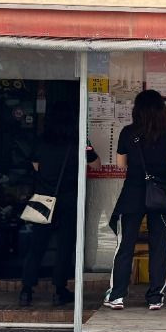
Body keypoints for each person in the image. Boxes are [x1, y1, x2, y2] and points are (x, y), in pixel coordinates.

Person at [21, 101, 100, 307]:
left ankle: (26, 290)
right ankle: (59, 290)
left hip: (44, 199)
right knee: (65, 245)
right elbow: (95, 164)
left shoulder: (42, 140)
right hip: (69, 199)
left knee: (37, 245)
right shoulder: (79, 141)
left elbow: (36, 165)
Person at [106, 89, 166, 310]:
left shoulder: (128, 132)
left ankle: (117, 295)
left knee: (125, 245)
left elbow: (121, 164)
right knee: (159, 246)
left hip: (133, 194)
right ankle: (155, 297)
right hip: (160, 195)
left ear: (137, 109)